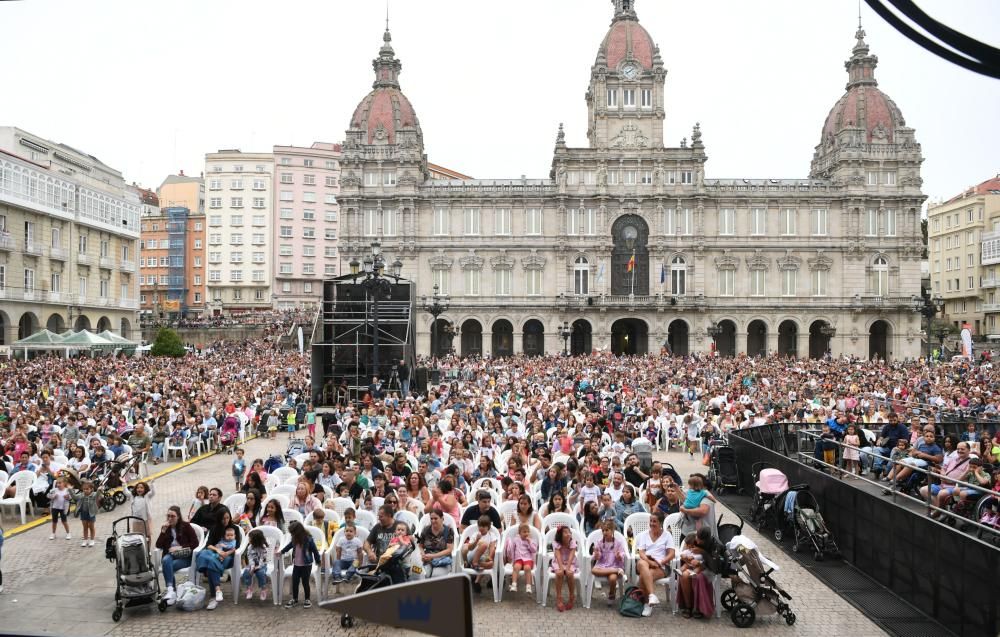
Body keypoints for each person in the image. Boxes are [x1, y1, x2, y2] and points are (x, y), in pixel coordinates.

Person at [195, 507, 239, 610]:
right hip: (214, 553)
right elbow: (208, 545)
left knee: (210, 564)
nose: (226, 521)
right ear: (219, 518)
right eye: (223, 518)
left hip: (228, 557)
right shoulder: (214, 528)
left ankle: (214, 597)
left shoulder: (234, 529)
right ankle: (217, 592)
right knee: (205, 554)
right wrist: (218, 550)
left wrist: (226, 553)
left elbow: (237, 546)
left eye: (228, 518)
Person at [635, 511, 675, 617]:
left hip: (660, 565)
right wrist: (650, 562)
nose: (652, 523)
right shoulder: (644, 534)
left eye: (655, 521)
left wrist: (661, 562)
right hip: (646, 561)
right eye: (651, 521)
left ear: (660, 523)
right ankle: (651, 596)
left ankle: (646, 603)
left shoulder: (667, 535)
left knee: (645, 576)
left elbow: (671, 554)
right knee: (642, 564)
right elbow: (641, 552)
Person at [157, 505, 200, 605]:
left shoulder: (186, 526)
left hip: (186, 557)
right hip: (171, 556)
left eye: (173, 516)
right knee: (165, 560)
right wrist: (162, 532)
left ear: (178, 517)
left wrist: (180, 547)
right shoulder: (166, 528)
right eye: (168, 516)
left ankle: (171, 592)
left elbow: (195, 543)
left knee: (167, 565)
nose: (170, 518)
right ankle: (171, 590)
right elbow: (158, 545)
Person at [277, 521, 322, 608]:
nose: (292, 535)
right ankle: (295, 599)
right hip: (297, 565)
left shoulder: (308, 539)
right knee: (295, 582)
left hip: (306, 565)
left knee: (305, 582)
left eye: (293, 533)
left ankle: (307, 599)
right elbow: (289, 546)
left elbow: (315, 551)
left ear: (298, 532)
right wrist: (282, 552)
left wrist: (318, 561)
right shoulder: (294, 539)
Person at [590, 519, 626, 607]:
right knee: (593, 570)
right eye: (603, 530)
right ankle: (616, 571)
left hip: (615, 564)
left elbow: (621, 556)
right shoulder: (600, 542)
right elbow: (598, 557)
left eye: (607, 530)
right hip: (603, 566)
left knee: (613, 579)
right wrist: (597, 554)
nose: (604, 532)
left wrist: (618, 556)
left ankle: (611, 594)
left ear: (612, 530)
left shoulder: (618, 543)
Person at [462, 515, 498, 594]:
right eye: (480, 526)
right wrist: (476, 541)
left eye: (484, 526)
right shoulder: (475, 534)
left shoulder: (492, 535)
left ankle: (476, 579)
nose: (481, 528)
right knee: (484, 545)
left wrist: (490, 557)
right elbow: (470, 548)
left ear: (488, 527)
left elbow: (492, 548)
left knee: (491, 564)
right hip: (472, 555)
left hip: (482, 557)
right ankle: (474, 563)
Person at [418, 509, 455, 578]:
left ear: (442, 518)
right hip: (427, 559)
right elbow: (420, 545)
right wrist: (423, 555)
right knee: (422, 574)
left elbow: (449, 550)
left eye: (435, 518)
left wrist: (433, 556)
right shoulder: (426, 530)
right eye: (431, 519)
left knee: (436, 576)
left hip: (442, 559)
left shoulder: (448, 531)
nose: (433, 521)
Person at [550, 525, 578, 611]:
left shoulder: (572, 542)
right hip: (559, 562)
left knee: (570, 574)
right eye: (565, 532)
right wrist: (561, 568)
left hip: (570, 562)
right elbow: (558, 556)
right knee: (559, 573)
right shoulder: (556, 543)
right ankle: (559, 597)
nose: (568, 534)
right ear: (560, 535)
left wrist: (568, 567)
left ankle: (571, 596)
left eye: (569, 532)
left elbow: (571, 556)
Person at [504, 522, 538, 594]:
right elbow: (513, 550)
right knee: (516, 567)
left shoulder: (531, 541)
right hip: (518, 559)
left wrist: (530, 543)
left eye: (528, 532)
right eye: (524, 532)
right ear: (519, 533)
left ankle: (528, 586)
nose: (526, 533)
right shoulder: (516, 540)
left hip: (528, 559)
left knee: (527, 568)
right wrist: (513, 560)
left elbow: (534, 550)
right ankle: (514, 585)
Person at [241, 528, 271, 601]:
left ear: (255, 539)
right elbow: (250, 557)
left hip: (262, 565)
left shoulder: (263, 547)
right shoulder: (250, 547)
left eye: (250, 538)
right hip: (252, 564)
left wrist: (258, 567)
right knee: (246, 572)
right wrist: (252, 567)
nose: (249, 540)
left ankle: (263, 589)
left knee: (260, 573)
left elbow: (263, 559)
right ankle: (249, 588)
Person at [73, 480, 99, 547]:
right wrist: (70, 489)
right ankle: (85, 540)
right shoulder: (81, 495)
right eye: (84, 489)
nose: (85, 490)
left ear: (91, 489)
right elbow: (74, 497)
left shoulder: (93, 495)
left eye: (87, 489)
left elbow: (98, 494)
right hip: (83, 513)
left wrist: (99, 489)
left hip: (91, 513)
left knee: (91, 527)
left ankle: (92, 540)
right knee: (85, 527)